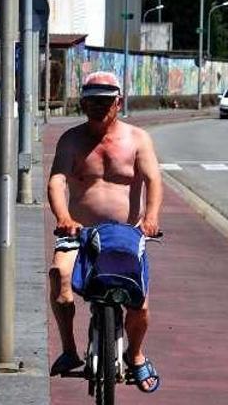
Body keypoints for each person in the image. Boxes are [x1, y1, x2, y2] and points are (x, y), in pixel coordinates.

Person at [47, 71, 163, 393]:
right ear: (82, 102)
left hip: (124, 235)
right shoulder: (71, 139)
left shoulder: (138, 138)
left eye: (105, 101)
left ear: (119, 102)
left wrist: (151, 217)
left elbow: (153, 180)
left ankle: (136, 356)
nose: (98, 107)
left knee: (139, 304)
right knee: (59, 274)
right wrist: (63, 216)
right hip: (79, 232)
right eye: (91, 101)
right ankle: (70, 350)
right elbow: (57, 180)